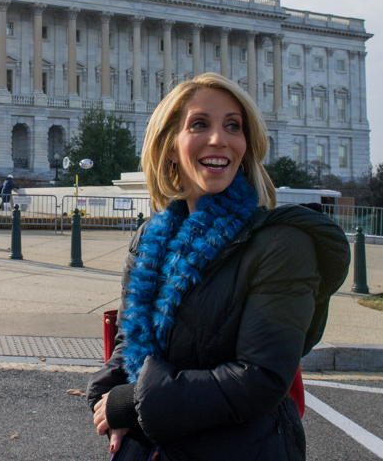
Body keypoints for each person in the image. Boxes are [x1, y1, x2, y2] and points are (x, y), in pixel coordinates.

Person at [86, 72, 350, 461]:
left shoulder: (281, 244)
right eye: (199, 124)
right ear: (170, 146)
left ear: (247, 144)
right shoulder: (150, 239)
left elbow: (262, 378)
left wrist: (129, 404)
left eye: (233, 126)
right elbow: (128, 343)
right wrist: (105, 397)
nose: (219, 139)